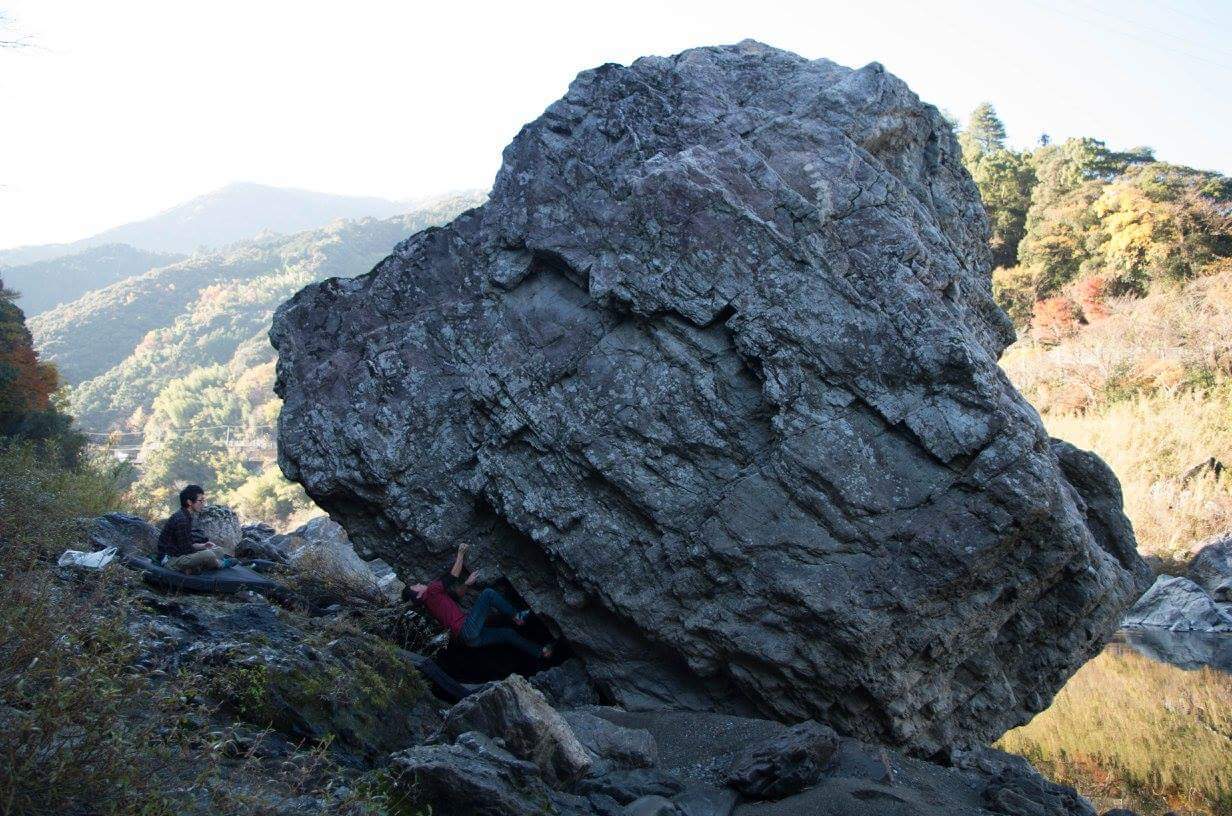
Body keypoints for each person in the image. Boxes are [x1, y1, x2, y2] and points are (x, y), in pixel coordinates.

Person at [411, 542, 553, 660]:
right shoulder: (430, 592)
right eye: (416, 586)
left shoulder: (431, 603)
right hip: (467, 629)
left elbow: (456, 595)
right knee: (488, 594)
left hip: (469, 640)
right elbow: (453, 576)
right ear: (418, 595)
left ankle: (542, 652)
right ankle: (517, 616)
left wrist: (467, 583)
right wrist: (460, 553)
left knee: (507, 634)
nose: (418, 584)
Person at [157, 484, 227, 574]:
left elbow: (188, 544)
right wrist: (205, 553)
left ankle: (193, 568)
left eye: (203, 501)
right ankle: (219, 565)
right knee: (209, 555)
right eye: (200, 501)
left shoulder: (186, 516)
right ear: (189, 502)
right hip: (170, 559)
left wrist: (204, 546)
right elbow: (186, 550)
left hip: (180, 553)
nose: (203, 504)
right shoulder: (181, 519)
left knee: (219, 551)